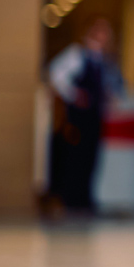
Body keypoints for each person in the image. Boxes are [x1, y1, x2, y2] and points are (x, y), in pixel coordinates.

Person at [46, 17, 117, 213]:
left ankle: (85, 197)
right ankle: (72, 198)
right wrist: (74, 94)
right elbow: (55, 74)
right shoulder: (77, 55)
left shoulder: (103, 60)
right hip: (79, 117)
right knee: (75, 157)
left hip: (95, 116)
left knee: (90, 158)